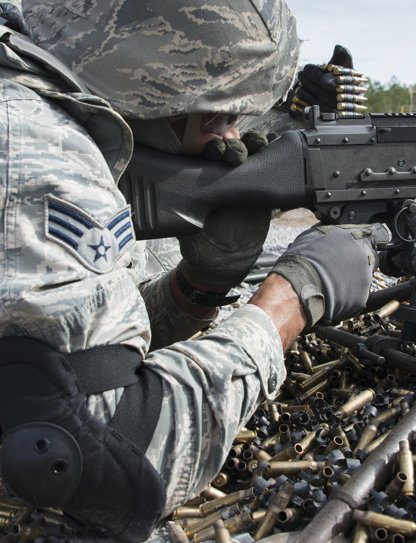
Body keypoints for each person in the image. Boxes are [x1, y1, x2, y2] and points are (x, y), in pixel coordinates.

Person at [0, 1, 380, 541]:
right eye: (220, 115)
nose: (229, 138)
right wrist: (291, 300)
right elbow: (95, 460)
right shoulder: (38, 155)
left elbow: (85, 357)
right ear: (154, 88)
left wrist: (197, 288)